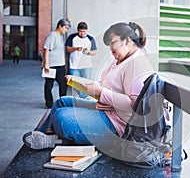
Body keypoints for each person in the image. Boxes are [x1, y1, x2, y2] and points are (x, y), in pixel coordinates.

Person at [23, 22, 154, 154]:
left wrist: (100, 92)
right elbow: (108, 85)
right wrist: (86, 85)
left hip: (117, 124)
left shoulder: (138, 64)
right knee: (61, 102)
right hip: (106, 109)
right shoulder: (121, 59)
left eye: (113, 42)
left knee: (61, 117)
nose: (110, 48)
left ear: (127, 41)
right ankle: (44, 136)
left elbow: (135, 105)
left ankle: (57, 139)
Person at [43, 18, 71, 109]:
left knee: (63, 85)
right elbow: (46, 49)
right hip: (51, 66)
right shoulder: (52, 35)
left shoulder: (60, 36)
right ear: (60, 26)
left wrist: (67, 20)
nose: (66, 30)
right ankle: (49, 103)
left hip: (60, 66)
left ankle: (62, 102)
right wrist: (46, 64)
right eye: (65, 28)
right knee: (49, 85)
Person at [65, 21, 97, 98]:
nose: (82, 33)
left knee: (86, 84)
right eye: (80, 31)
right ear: (77, 30)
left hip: (87, 66)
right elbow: (67, 49)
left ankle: (83, 100)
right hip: (74, 66)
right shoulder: (72, 37)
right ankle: (82, 98)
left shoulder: (90, 38)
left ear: (87, 31)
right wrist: (75, 48)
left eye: (84, 32)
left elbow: (94, 52)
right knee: (74, 84)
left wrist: (88, 52)